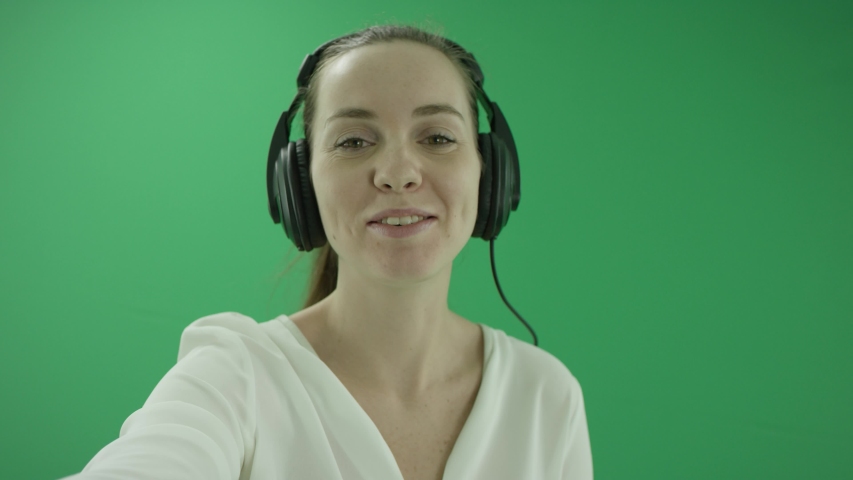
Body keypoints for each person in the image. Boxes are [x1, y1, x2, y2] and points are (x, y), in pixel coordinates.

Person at [60, 24, 593, 480]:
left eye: (437, 137)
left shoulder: (545, 395)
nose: (398, 173)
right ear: (299, 185)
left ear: (490, 171)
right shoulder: (233, 376)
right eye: (354, 142)